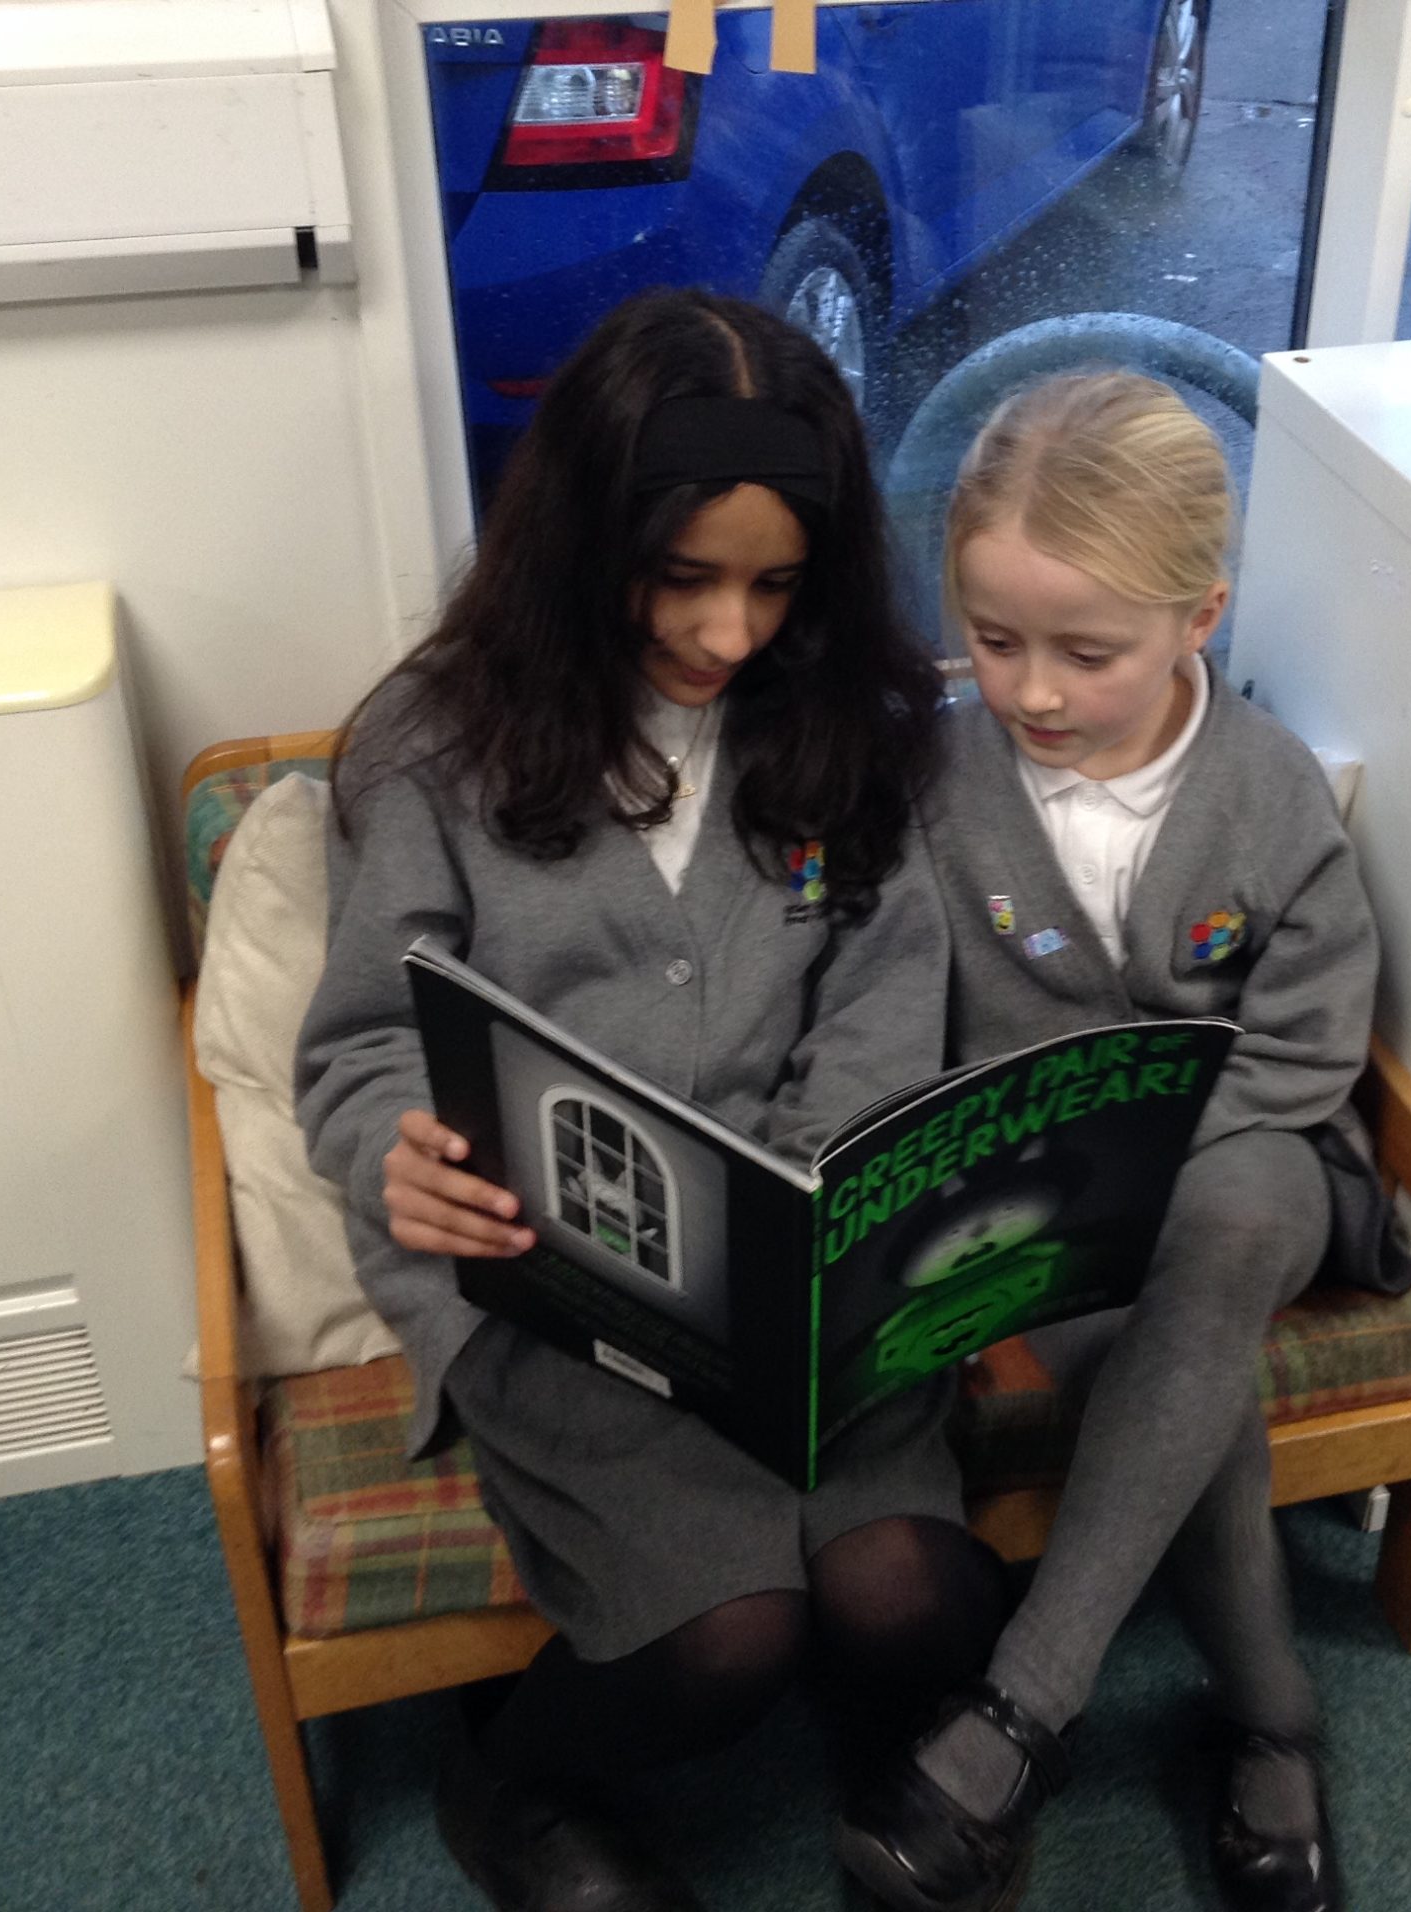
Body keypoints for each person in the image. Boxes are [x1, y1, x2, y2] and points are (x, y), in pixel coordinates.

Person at [295, 289, 1005, 1912]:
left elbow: (884, 1008)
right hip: (551, 1279)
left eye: (776, 584)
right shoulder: (429, 749)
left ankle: (866, 1701)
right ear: (584, 540)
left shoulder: (845, 727)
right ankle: (510, 1778)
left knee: (916, 1598)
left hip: (800, 1277)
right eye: (683, 577)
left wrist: (811, 1209)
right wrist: (394, 1151)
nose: (731, 633)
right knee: (724, 1639)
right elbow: (361, 1043)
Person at [835, 372, 1411, 1912]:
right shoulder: (931, 782)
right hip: (1046, 1211)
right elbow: (896, 1015)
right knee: (1173, 1364)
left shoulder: (1269, 792)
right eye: (992, 638)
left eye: (1086, 654)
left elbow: (1308, 1047)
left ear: (1198, 618)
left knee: (1227, 1223)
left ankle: (1024, 1704)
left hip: (1260, 1155)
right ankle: (1273, 1720)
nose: (1031, 691)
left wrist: (1140, 1161)